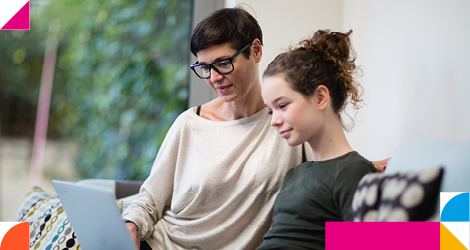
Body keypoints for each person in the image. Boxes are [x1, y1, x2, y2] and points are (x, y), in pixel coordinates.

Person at [122, 7, 387, 250]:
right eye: (205, 67)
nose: (214, 77)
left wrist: (365, 170)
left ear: (256, 51)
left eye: (223, 63)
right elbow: (149, 199)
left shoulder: (298, 138)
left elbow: (362, 223)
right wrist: (129, 225)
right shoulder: (190, 124)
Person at [257, 30, 377, 250]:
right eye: (270, 111)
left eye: (282, 105)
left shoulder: (352, 170)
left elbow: (368, 241)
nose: (274, 120)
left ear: (320, 97)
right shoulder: (294, 174)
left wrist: (451, 233)